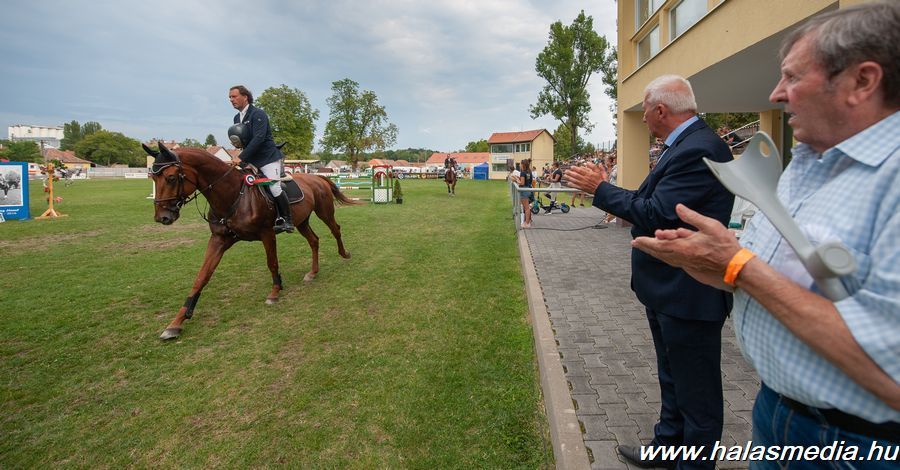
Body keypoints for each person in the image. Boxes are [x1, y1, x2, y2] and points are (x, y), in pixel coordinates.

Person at [631, 2, 900, 465]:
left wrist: (737, 265)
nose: (776, 93)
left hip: (855, 444)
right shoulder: (807, 166)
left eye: (792, 77)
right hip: (777, 413)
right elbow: (770, 272)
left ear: (863, 81)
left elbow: (890, 368)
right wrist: (712, 261)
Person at [566, 75, 734, 469]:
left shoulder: (699, 149)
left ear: (661, 110)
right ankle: (666, 447)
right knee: (673, 379)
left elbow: (658, 213)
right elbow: (648, 200)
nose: (642, 118)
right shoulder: (685, 146)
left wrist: (601, 189)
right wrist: (606, 191)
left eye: (644, 110)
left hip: (689, 291)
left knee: (697, 396)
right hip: (670, 289)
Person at [227, 85, 293, 234]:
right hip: (251, 160)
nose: (231, 100)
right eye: (230, 97)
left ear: (245, 97)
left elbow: (259, 138)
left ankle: (287, 220)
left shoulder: (258, 114)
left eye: (234, 96)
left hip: (267, 158)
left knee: (274, 187)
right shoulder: (237, 118)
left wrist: (240, 157)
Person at [518, 158, 535, 228]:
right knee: (527, 207)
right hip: (528, 189)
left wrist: (516, 180)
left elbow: (522, 183)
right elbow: (529, 181)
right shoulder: (529, 172)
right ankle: (527, 221)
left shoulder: (523, 172)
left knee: (526, 208)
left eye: (520, 164)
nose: (520, 165)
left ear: (523, 165)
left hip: (524, 191)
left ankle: (527, 223)